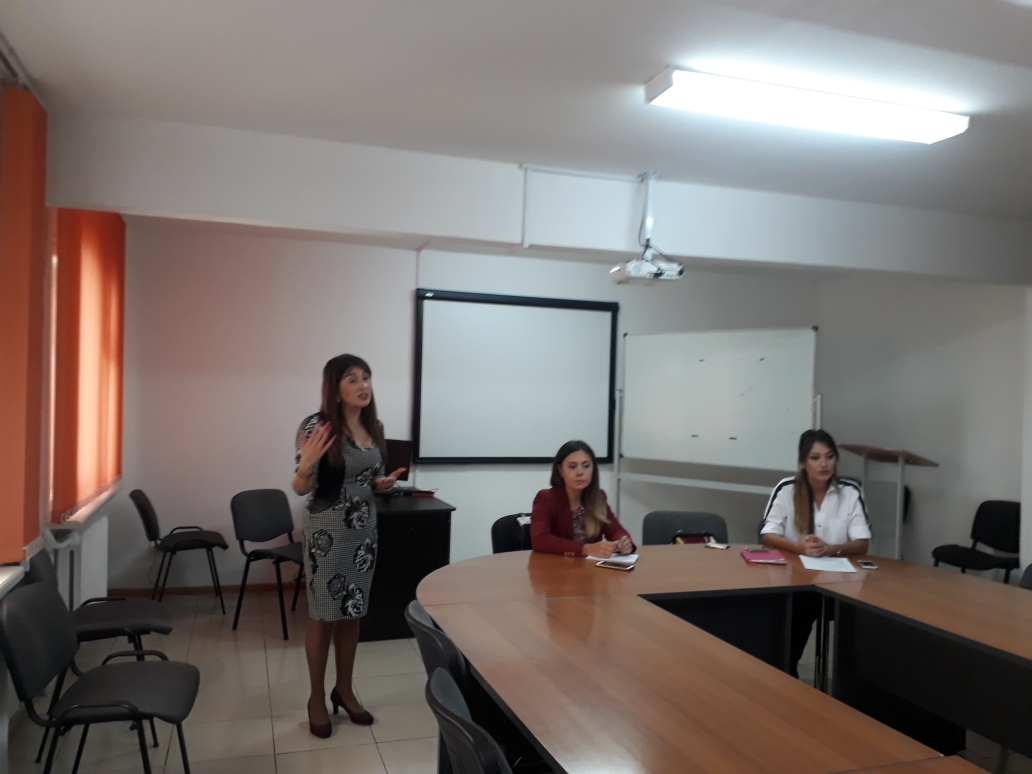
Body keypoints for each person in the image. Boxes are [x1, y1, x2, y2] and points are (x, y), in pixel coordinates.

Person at [292, 354, 405, 738]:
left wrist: (380, 485)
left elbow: (368, 479)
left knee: (352, 611)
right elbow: (301, 487)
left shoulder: (374, 426)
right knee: (324, 614)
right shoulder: (316, 426)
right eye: (353, 379)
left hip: (363, 531)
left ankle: (344, 689)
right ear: (335, 389)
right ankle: (315, 697)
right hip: (327, 531)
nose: (363, 385)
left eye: (366, 377)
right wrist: (305, 466)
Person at [760, 429, 870, 677]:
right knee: (800, 605)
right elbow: (767, 534)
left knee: (865, 611)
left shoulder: (850, 492)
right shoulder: (786, 489)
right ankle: (787, 668)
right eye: (815, 458)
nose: (824, 464)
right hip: (796, 580)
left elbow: (862, 543)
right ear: (802, 462)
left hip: (839, 581)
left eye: (829, 457)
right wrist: (798, 547)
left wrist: (831, 549)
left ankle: (851, 679)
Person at [531, 440, 635, 557]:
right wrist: (586, 549)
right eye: (572, 467)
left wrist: (623, 543)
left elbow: (616, 530)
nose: (580, 472)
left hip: (590, 567)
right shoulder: (546, 498)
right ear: (561, 470)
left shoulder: (598, 497)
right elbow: (539, 539)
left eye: (586, 466)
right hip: (557, 565)